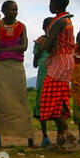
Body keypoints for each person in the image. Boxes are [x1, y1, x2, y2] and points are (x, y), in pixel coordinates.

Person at [0, 0, 34, 148]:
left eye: (16, 10)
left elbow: (24, 46)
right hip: (0, 68)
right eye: (11, 10)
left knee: (21, 101)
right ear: (3, 11)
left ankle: (29, 138)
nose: (14, 12)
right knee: (1, 103)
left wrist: (1, 50)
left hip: (16, 67)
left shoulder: (21, 27)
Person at [37, 0, 75, 147]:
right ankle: (62, 137)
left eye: (51, 3)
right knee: (58, 99)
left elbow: (48, 43)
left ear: (57, 5)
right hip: (65, 60)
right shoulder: (66, 20)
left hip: (60, 62)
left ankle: (69, 135)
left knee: (50, 100)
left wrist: (41, 44)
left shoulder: (59, 21)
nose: (49, 6)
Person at [31, 16, 53, 147]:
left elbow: (35, 63)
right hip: (45, 73)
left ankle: (58, 135)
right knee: (42, 102)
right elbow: (35, 62)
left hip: (53, 73)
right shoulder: (40, 42)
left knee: (55, 103)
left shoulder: (58, 42)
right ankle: (45, 136)